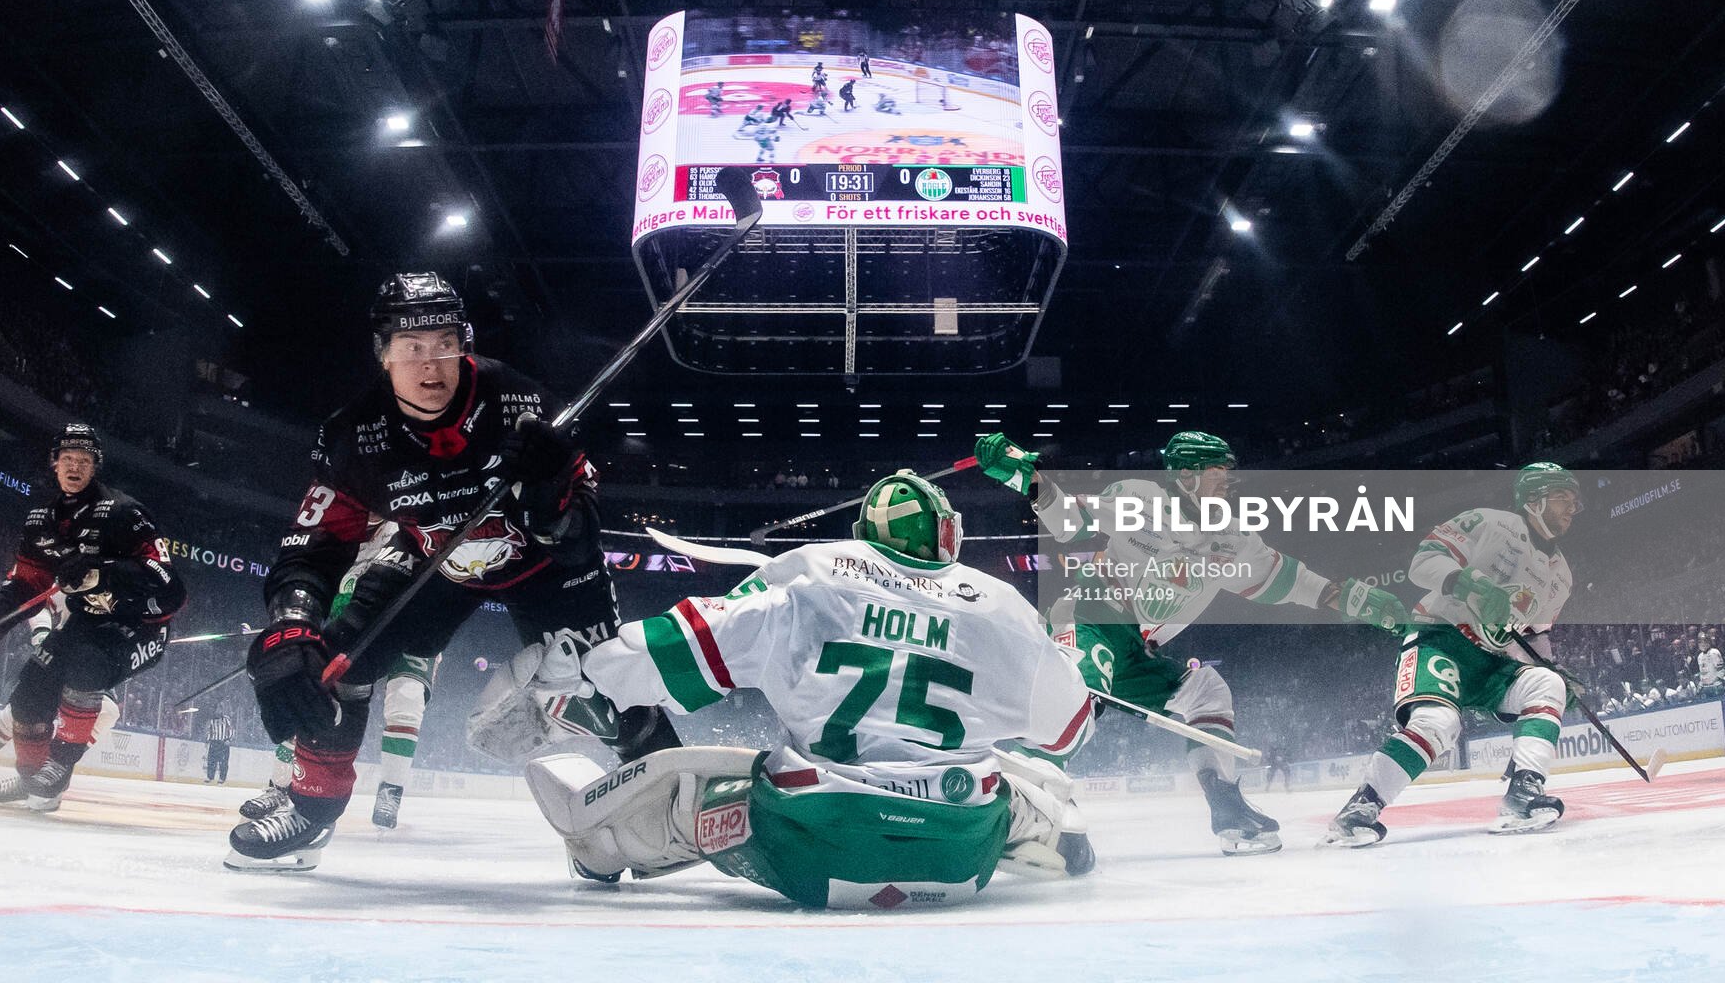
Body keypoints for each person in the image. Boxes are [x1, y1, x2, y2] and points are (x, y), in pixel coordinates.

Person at [224, 273, 677, 872]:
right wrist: (290, 624)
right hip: (438, 562)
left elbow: (579, 540)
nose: (430, 363)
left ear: (463, 342)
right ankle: (313, 806)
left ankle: (675, 806)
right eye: (411, 348)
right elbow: (313, 548)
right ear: (383, 356)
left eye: (442, 342)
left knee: (612, 684)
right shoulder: (352, 438)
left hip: (542, 565)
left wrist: (552, 502)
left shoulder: (519, 400)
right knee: (332, 658)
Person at [520, 469, 1097, 909]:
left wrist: (582, 670)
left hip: (814, 849)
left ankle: (603, 847)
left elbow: (658, 656)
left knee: (687, 787)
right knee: (1006, 773)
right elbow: (1069, 733)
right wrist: (1072, 656)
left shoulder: (809, 576)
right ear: (948, 533)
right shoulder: (1003, 607)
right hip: (963, 860)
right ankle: (1058, 835)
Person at [974, 430, 1404, 856]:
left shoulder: (1235, 539)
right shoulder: (1139, 498)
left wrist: (1355, 598)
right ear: (1186, 475)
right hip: (1093, 619)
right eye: (1217, 472)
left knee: (1207, 690)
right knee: (1080, 693)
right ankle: (1019, 807)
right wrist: (1026, 479)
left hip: (1142, 650)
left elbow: (1292, 581)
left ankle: (1226, 806)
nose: (1227, 482)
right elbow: (1071, 522)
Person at [1323, 464, 1581, 847]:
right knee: (1437, 722)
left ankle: (1524, 791)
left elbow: (1533, 636)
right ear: (1534, 499)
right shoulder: (1488, 522)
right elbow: (1423, 563)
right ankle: (1360, 808)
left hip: (1492, 662)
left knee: (1546, 682)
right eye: (1563, 497)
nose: (1571, 507)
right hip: (1438, 637)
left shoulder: (1561, 576)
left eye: (1574, 501)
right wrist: (1473, 584)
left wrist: (1552, 669)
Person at [0, 424, 184, 811]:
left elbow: (172, 588)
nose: (74, 467)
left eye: (84, 461)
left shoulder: (125, 513)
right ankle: (33, 781)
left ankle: (58, 767)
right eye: (67, 459)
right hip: (88, 622)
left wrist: (102, 572)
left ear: (95, 466)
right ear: (54, 463)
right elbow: (26, 587)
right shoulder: (41, 520)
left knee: (86, 666)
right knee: (29, 692)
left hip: (142, 625)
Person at [242, 532, 443, 831]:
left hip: (411, 622)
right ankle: (279, 785)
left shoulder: (410, 521)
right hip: (357, 621)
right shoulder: (346, 532)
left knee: (408, 696)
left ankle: (391, 790)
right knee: (310, 690)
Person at [0, 604, 121, 785]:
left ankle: (50, 770)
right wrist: (41, 634)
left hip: (91, 666)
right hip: (59, 654)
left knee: (107, 711)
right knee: (17, 712)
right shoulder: (75, 581)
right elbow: (41, 603)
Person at [203, 704, 234, 784]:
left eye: (219, 709)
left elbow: (231, 730)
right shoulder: (211, 720)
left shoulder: (226, 719)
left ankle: (222, 778)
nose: (218, 711)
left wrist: (229, 739)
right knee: (211, 760)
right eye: (216, 709)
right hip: (214, 742)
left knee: (223, 762)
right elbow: (209, 731)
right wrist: (208, 740)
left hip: (223, 743)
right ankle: (210, 776)